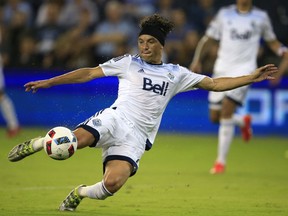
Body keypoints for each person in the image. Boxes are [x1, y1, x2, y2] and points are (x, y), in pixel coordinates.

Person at [7, 14, 277, 212]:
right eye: (141, 41)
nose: (144, 46)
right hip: (114, 119)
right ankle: (39, 142)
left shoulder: (177, 74)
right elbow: (88, 73)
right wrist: (49, 81)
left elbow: (216, 84)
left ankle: (79, 193)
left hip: (137, 137)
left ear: (161, 45)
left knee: (111, 185)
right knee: (72, 143)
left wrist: (251, 77)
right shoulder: (127, 63)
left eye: (150, 42)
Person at [190, 0, 288, 174]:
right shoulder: (224, 14)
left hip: (246, 71)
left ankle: (220, 162)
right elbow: (208, 39)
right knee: (215, 117)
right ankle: (242, 122)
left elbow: (271, 41)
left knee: (227, 110)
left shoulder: (260, 17)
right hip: (221, 69)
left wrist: (282, 51)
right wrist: (197, 59)